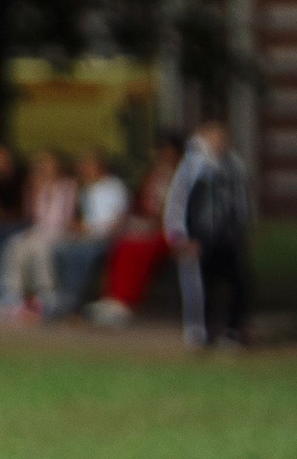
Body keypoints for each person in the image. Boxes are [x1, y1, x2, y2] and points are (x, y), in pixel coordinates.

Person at [167, 116, 253, 349]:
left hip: (227, 235)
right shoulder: (192, 167)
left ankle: (233, 330)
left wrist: (243, 230)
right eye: (214, 137)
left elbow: (241, 201)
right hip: (199, 236)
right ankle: (199, 331)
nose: (219, 142)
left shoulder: (234, 165)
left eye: (222, 138)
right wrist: (180, 236)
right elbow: (178, 203)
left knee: (237, 283)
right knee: (199, 285)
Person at [92, 142, 179, 323]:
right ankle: (114, 299)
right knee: (123, 245)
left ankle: (126, 302)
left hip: (170, 233)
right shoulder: (152, 177)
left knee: (138, 248)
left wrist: (152, 226)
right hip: (148, 228)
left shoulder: (182, 179)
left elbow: (174, 214)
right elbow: (139, 206)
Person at [0, 151, 77, 315]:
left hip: (61, 230)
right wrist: (33, 193)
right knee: (15, 244)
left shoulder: (68, 186)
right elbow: (32, 218)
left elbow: (68, 216)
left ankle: (45, 292)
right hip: (39, 230)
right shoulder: (37, 187)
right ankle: (11, 292)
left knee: (38, 247)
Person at [51, 151, 131, 318]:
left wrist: (88, 228)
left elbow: (116, 220)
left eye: (87, 166)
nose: (84, 170)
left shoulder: (114, 187)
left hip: (107, 237)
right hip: (86, 236)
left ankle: (73, 301)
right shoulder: (86, 189)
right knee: (60, 249)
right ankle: (61, 296)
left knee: (81, 252)